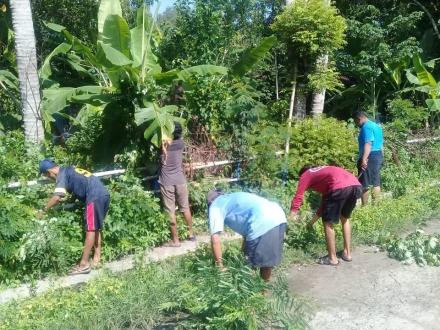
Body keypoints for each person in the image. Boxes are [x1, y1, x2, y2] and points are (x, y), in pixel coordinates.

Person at [38, 159, 110, 275]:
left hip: (94, 197)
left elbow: (57, 197)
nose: (48, 178)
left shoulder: (61, 174)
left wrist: (43, 210)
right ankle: (96, 260)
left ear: (49, 172)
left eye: (46, 176)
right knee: (95, 228)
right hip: (103, 194)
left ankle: (84, 264)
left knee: (90, 229)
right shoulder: (69, 169)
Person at [207, 189, 287, 281]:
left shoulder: (215, 205)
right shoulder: (232, 198)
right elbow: (247, 234)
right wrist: (243, 255)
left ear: (210, 202)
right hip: (278, 216)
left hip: (262, 219)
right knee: (266, 263)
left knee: (248, 268)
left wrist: (220, 267)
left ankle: (251, 292)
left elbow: (215, 239)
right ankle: (263, 292)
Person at [290, 165, 361, 266]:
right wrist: (310, 223)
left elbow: (298, 197)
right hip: (355, 185)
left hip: (340, 187)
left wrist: (292, 217)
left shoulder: (305, 175)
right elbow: (323, 207)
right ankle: (347, 254)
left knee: (328, 223)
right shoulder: (324, 175)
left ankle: (332, 259)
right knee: (345, 218)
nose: (309, 188)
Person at [159, 122, 194, 247]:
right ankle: (191, 234)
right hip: (180, 180)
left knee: (170, 211)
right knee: (185, 208)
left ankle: (176, 241)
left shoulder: (162, 144)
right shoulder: (181, 143)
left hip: (167, 181)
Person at [354, 111, 384, 205]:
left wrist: (364, 159)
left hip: (369, 156)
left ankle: (365, 207)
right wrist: (382, 157)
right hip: (378, 154)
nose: (356, 124)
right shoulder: (376, 126)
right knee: (376, 182)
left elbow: (368, 143)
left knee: (364, 184)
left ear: (359, 119)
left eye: (356, 122)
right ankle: (376, 205)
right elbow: (381, 144)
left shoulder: (366, 127)